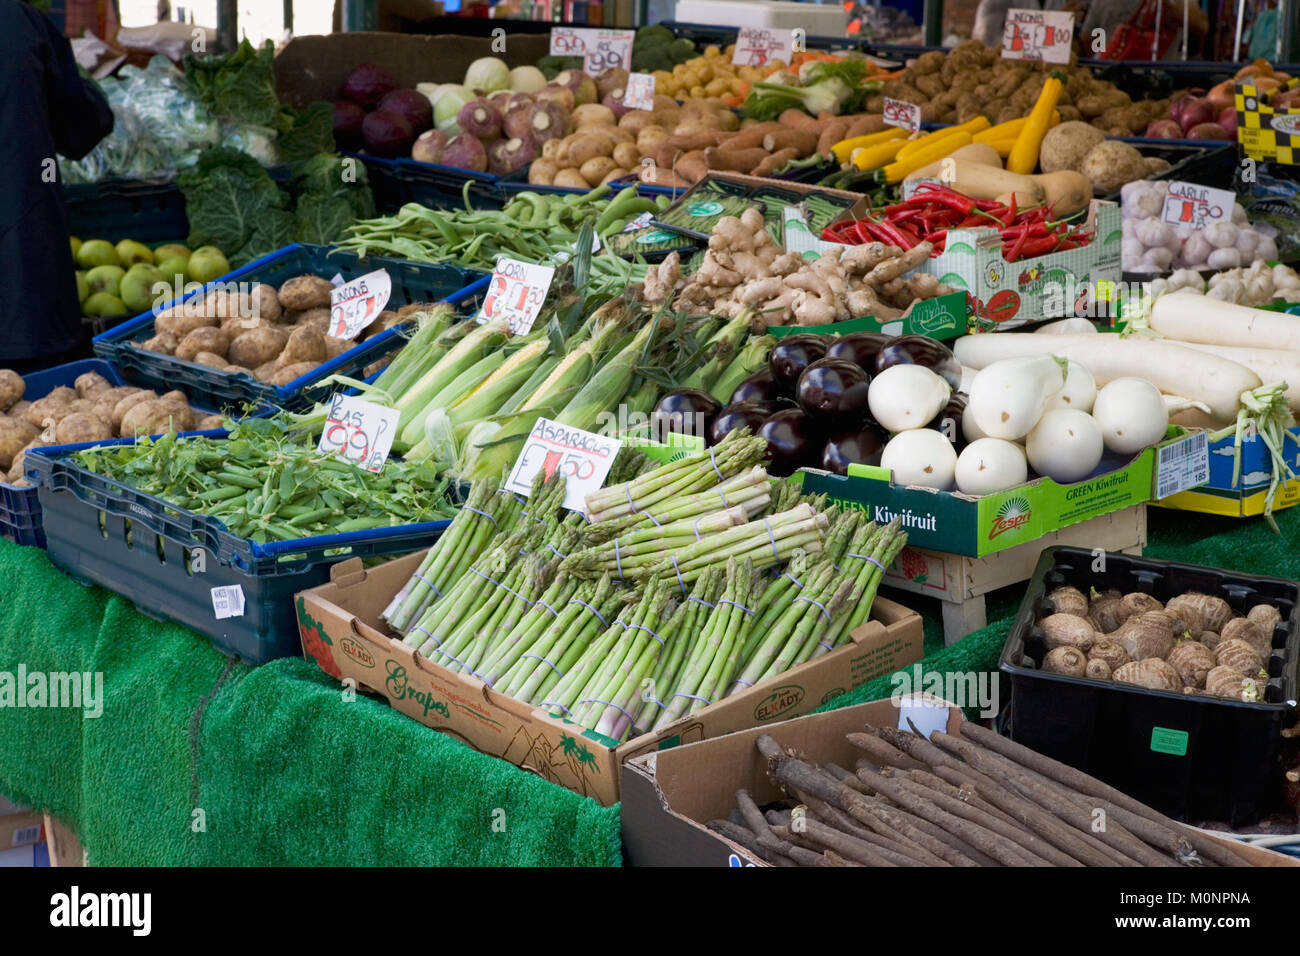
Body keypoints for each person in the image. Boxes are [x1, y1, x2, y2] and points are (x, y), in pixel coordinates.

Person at [0, 1, 114, 372]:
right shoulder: (20, 21)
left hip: (25, 298)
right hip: (25, 299)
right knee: (41, 412)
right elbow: (80, 128)